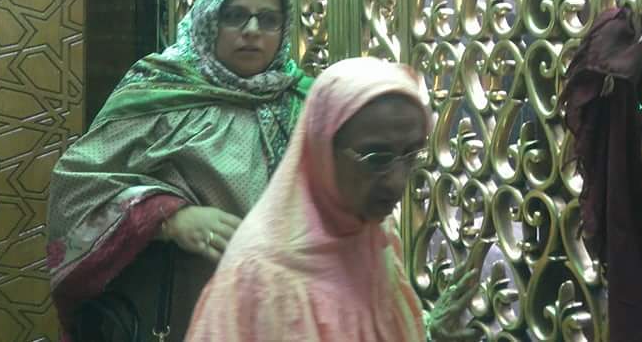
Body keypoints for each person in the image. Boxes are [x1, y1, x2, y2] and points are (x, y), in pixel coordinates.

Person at [46, 0, 312, 342]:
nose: (252, 30)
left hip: (287, 312)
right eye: (235, 16)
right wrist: (169, 219)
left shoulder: (307, 101)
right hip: (182, 307)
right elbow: (76, 187)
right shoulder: (159, 89)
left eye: (268, 20)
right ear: (208, 19)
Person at [185, 57, 480, 342]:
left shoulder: (371, 235)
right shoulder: (260, 277)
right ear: (322, 150)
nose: (397, 181)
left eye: (411, 155)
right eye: (376, 158)